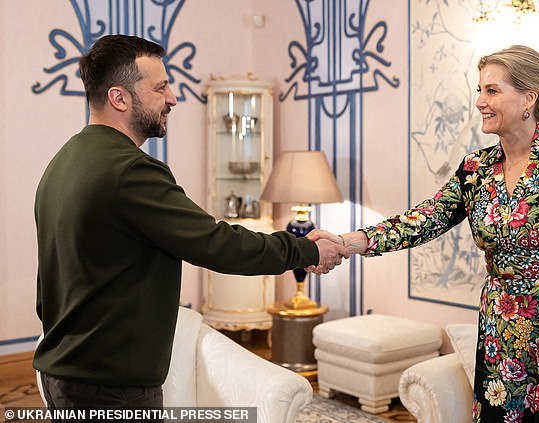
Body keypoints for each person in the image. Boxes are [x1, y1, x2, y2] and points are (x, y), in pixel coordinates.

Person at [308, 45, 539, 422]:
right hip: (499, 328)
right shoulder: (475, 168)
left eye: (492, 90)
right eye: (479, 90)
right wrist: (349, 242)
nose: (480, 101)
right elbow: (424, 219)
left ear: (529, 97)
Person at [33, 34, 349, 412]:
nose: (173, 98)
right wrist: (305, 249)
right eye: (161, 86)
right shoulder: (130, 171)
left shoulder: (63, 162)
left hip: (63, 374)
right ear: (119, 98)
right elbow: (218, 244)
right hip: (110, 386)